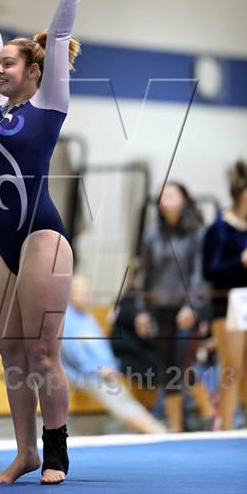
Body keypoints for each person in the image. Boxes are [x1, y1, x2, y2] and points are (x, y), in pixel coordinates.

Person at [0, 0, 110, 485]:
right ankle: (23, 454)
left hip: (42, 236)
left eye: (7, 65)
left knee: (44, 353)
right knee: (10, 353)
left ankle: (57, 452)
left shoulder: (49, 104)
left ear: (33, 71)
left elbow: (62, 29)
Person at [135, 182, 213, 432]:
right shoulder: (151, 234)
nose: (165, 198)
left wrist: (192, 306)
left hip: (187, 310)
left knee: (184, 365)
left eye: (171, 194)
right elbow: (144, 275)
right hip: (161, 308)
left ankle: (212, 415)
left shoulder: (196, 233)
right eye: (162, 195)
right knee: (167, 369)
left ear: (184, 200)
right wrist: (142, 311)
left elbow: (199, 274)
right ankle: (176, 429)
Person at [61, 276, 166, 434]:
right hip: (88, 375)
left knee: (126, 398)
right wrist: (99, 369)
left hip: (105, 371)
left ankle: (158, 430)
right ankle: (157, 432)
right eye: (81, 291)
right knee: (121, 402)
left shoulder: (86, 317)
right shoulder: (66, 318)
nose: (86, 295)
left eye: (87, 291)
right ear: (69, 293)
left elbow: (103, 348)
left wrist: (112, 366)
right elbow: (73, 353)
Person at [203, 160, 247, 430]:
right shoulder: (218, 229)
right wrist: (240, 262)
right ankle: (226, 427)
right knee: (231, 367)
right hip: (228, 302)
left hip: (245, 300)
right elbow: (210, 270)